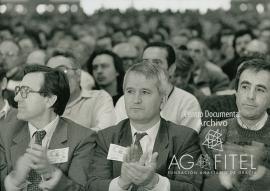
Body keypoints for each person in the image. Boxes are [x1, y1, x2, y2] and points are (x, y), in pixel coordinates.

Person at [88, 62, 202, 191]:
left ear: (162, 101)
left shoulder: (184, 138)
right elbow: (93, 185)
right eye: (130, 91)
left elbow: (192, 188)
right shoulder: (106, 137)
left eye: (145, 92)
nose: (136, 100)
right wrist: (122, 183)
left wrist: (154, 182)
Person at [0, 64, 96, 191]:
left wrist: (53, 174)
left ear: (50, 100)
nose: (17, 98)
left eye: (25, 91)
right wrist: (12, 181)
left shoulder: (82, 138)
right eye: (18, 90)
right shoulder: (4, 133)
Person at [200, 58, 270, 191]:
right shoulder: (211, 134)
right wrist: (225, 178)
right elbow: (198, 186)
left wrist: (259, 174)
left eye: (260, 90)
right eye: (245, 87)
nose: (250, 96)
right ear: (236, 92)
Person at [115, 42, 202, 133]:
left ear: (171, 69)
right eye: (145, 62)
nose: (149, 68)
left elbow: (187, 141)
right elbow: (118, 139)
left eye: (157, 63)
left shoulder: (187, 102)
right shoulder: (124, 100)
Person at [47, 50, 116, 131]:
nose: (56, 77)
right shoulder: (43, 105)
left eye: (62, 71)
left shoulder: (99, 98)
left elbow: (105, 133)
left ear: (78, 74)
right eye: (49, 73)